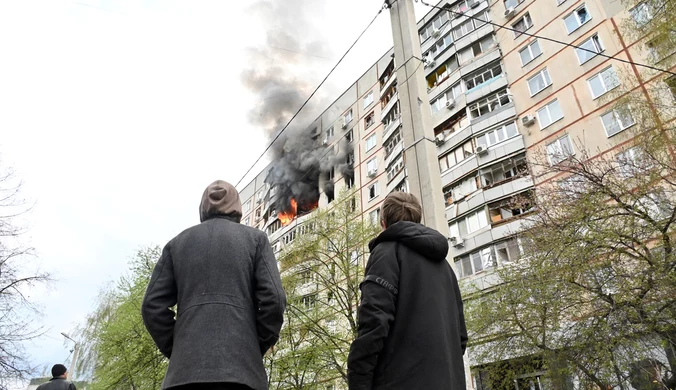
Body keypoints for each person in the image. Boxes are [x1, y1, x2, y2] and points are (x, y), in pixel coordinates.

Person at [142, 180, 286, 390]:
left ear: (203, 208)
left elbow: (151, 306)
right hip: (243, 374)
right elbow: (274, 298)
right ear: (237, 207)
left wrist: (178, 349)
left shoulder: (176, 245)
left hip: (182, 376)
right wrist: (257, 344)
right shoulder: (256, 240)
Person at [347, 192, 468, 390]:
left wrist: (359, 383)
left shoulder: (386, 253)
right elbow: (460, 337)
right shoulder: (445, 268)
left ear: (383, 223)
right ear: (418, 221)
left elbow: (374, 323)